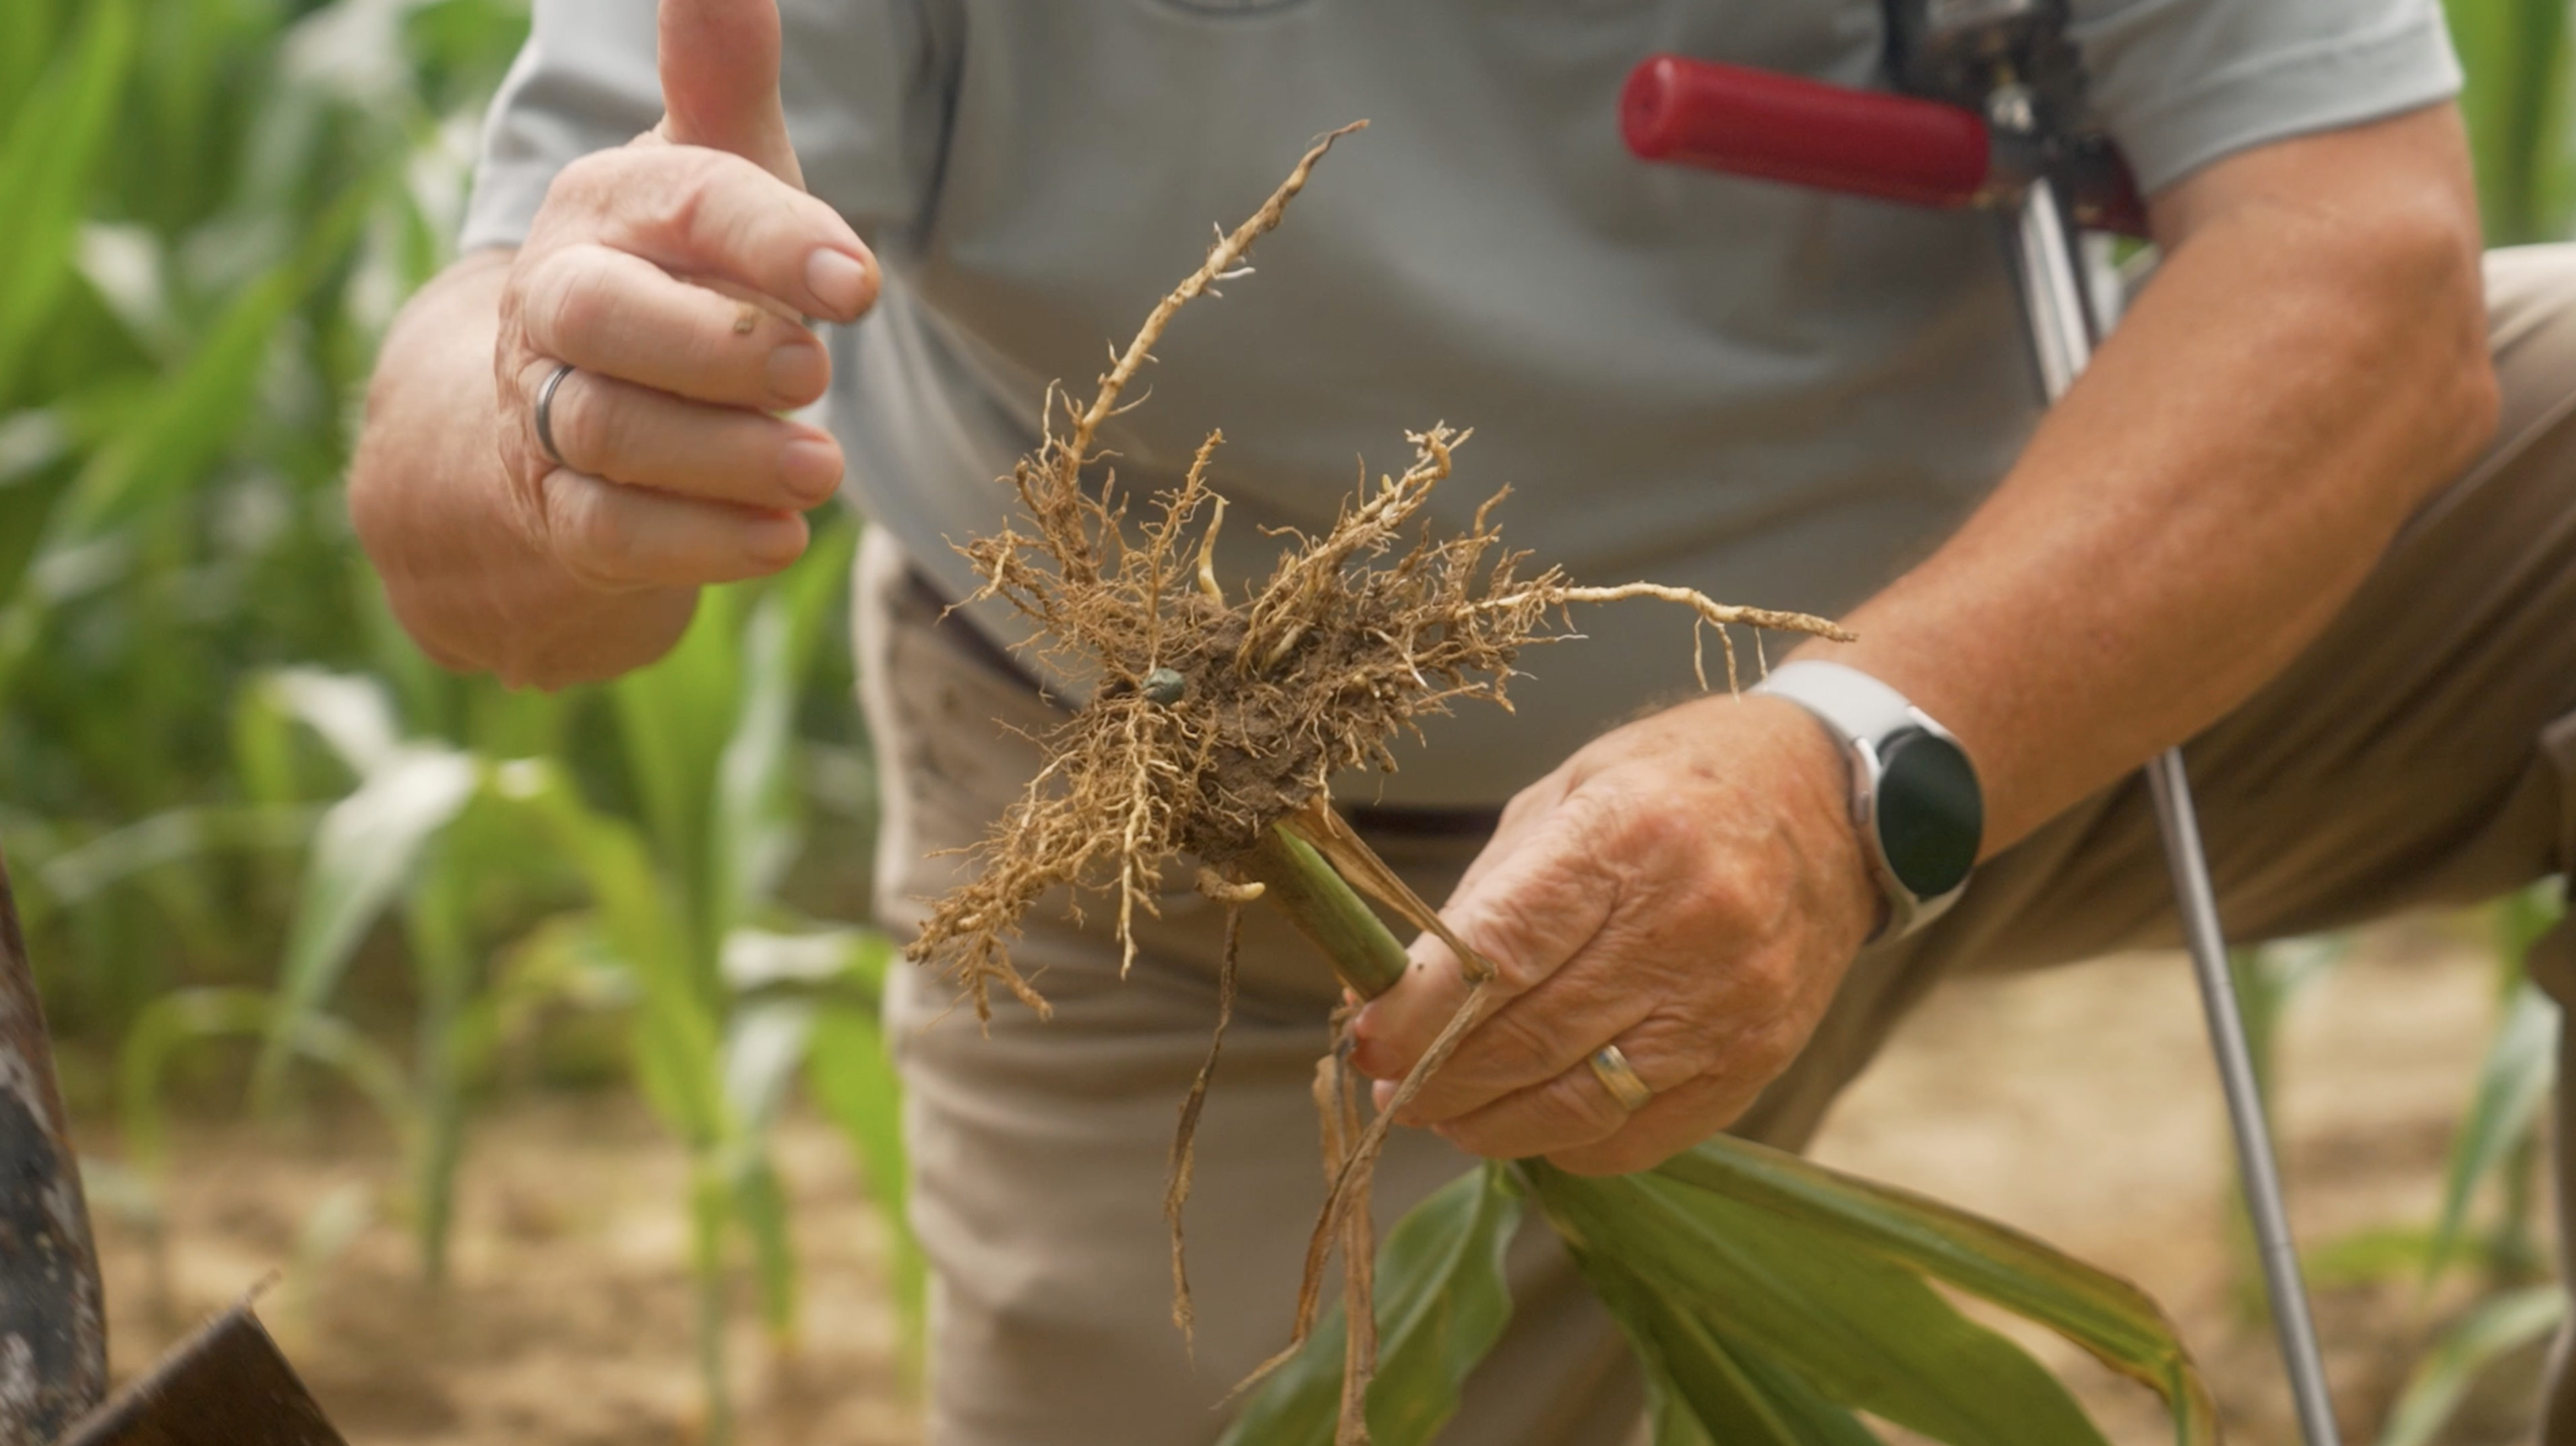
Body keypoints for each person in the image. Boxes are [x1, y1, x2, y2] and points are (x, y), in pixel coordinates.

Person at [348, 0, 2576, 1440]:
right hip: (1240, 884)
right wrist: (569, 432)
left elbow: (2354, 264)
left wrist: (1849, 755)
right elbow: (480, 491)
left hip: (2004, 662)